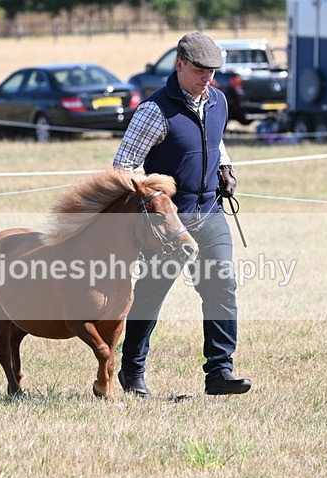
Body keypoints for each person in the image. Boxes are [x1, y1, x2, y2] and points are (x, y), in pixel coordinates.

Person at [112, 31, 252, 396]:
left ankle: (220, 372)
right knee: (151, 295)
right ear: (180, 65)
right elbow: (123, 167)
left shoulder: (218, 101)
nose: (208, 77)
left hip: (210, 212)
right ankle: (132, 370)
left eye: (213, 71)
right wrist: (155, 201)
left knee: (221, 287)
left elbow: (214, 139)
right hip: (169, 224)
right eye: (200, 70)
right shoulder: (154, 111)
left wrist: (225, 166)